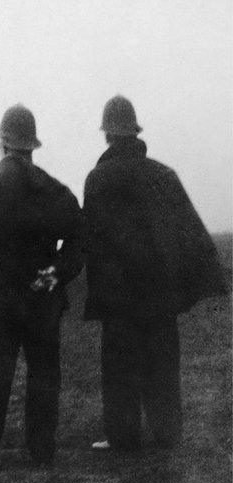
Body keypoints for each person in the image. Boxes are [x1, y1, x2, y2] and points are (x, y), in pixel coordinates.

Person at [83, 95, 228, 452]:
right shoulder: (164, 175)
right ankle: (168, 434)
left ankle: (123, 437)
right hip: (160, 295)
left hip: (119, 298)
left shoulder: (97, 179)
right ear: (135, 131)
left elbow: (91, 241)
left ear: (107, 136)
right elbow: (189, 232)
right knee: (162, 365)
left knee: (119, 371)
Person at [0, 105, 83, 469]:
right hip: (43, 298)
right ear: (32, 145)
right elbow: (77, 246)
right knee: (44, 377)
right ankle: (42, 452)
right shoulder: (59, 192)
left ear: (3, 142)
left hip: (2, 298)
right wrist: (50, 277)